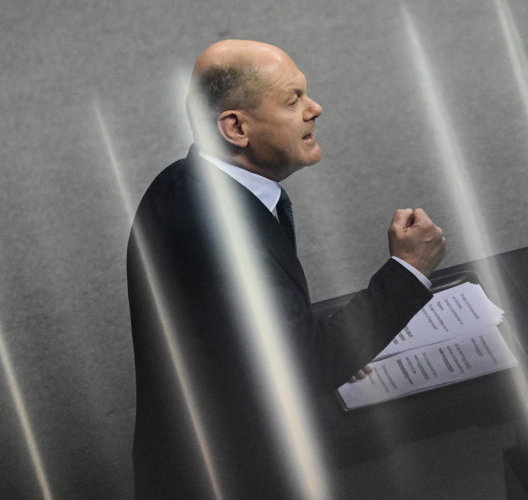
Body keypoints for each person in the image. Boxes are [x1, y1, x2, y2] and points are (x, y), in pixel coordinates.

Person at [127, 40, 446, 499]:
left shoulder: (187, 181)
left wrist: (306, 336)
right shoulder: (217, 236)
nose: (315, 108)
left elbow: (235, 326)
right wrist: (408, 270)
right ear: (235, 126)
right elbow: (300, 369)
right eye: (293, 100)